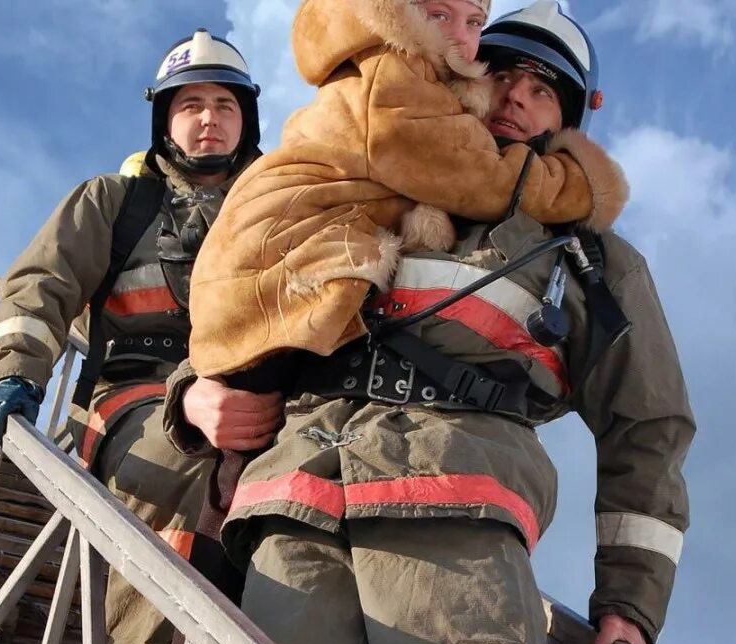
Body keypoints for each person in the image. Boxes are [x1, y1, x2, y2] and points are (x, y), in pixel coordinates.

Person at [166, 3, 694, 644]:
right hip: (295, 500)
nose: (518, 103)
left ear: (569, 119)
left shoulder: (589, 255)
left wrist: (631, 600)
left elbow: (650, 426)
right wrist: (194, 397)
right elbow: (250, 308)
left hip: (453, 508)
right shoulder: (365, 179)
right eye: (506, 80)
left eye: (544, 94)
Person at [0, 30, 283, 644]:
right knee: (182, 458)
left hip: (257, 401)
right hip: (135, 397)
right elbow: (40, 283)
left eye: (226, 106)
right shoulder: (115, 203)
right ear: (164, 119)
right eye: (191, 104)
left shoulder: (280, 220)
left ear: (247, 120)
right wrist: (13, 373)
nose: (209, 118)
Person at [186, 0, 629, 380]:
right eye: (439, 14)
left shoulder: (591, 257)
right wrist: (581, 185)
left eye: (474, 22)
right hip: (272, 286)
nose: (514, 97)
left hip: (281, 298)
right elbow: (482, 177)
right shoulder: (393, 75)